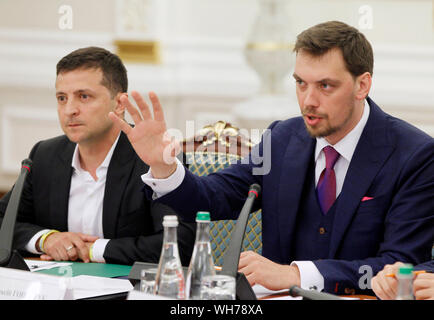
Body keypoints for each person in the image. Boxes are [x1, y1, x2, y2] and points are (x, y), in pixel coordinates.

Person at [109, 21, 434, 295]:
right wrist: (164, 165)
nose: (308, 100)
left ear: (362, 84)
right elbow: (215, 197)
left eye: (325, 86)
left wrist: (296, 275)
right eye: (300, 83)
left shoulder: (413, 155)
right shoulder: (282, 139)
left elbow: (400, 266)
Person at [0, 47, 195, 266]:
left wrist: (94, 250)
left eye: (84, 96)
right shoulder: (45, 155)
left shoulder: (155, 158)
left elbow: (179, 245)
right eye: (62, 98)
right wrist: (46, 239)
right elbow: (3, 222)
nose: (69, 110)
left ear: (120, 104)